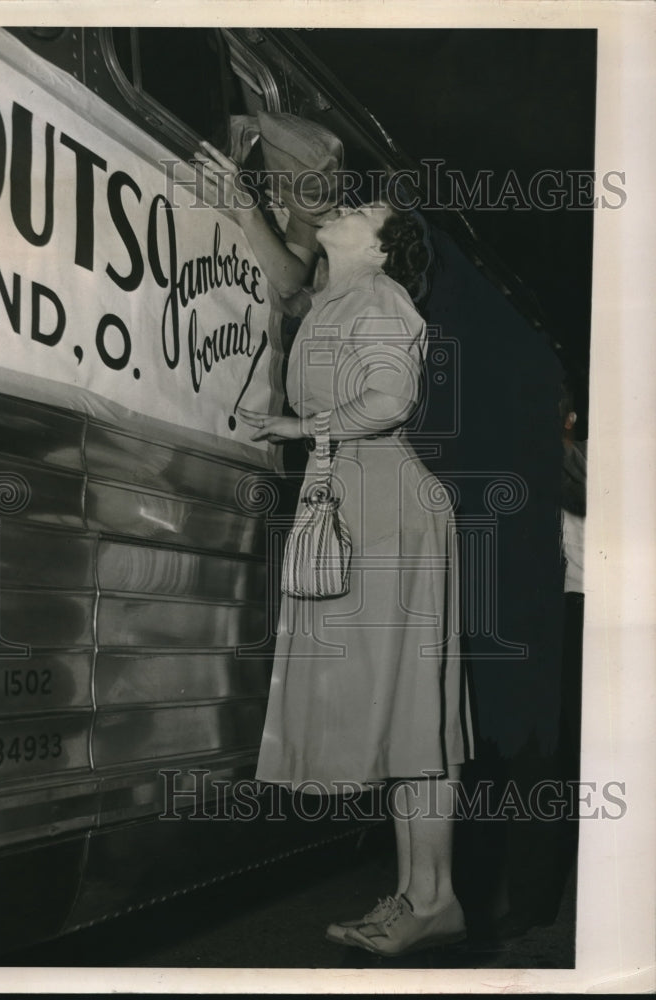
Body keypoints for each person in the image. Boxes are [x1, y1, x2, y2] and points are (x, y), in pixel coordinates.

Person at [197, 140, 471, 958]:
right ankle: (420, 896)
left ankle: (432, 896)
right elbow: (286, 280)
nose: (343, 208)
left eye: (361, 209)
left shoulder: (381, 296)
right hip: (359, 500)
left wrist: (296, 425)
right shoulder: (333, 294)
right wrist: (239, 201)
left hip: (387, 505)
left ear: (385, 241)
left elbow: (390, 395)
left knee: (412, 714)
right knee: (400, 714)